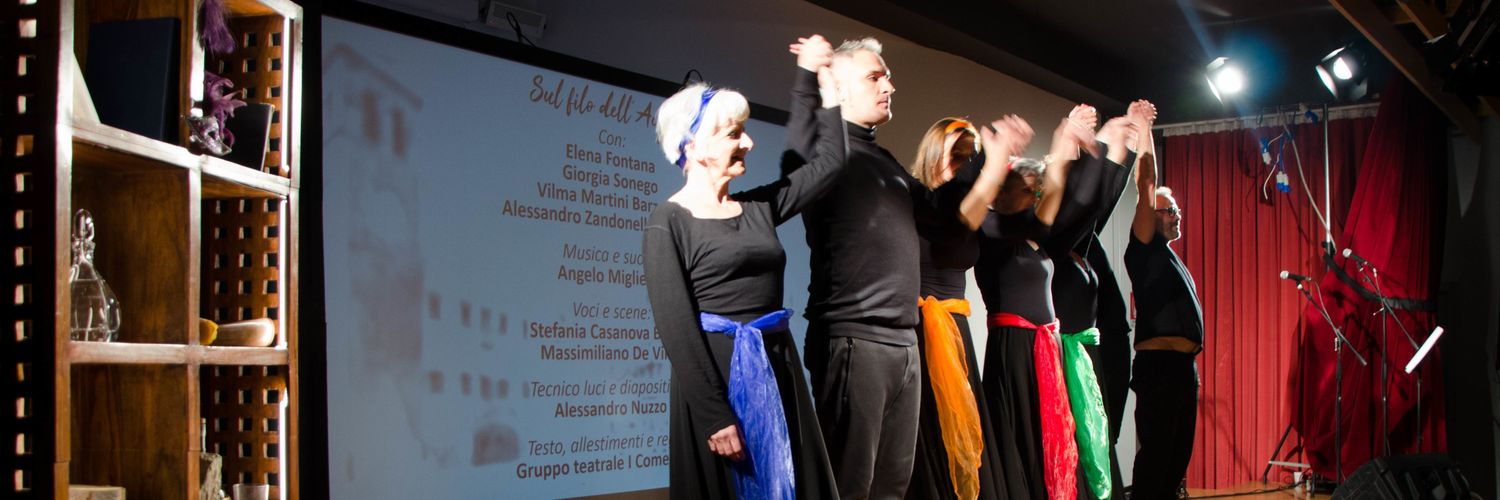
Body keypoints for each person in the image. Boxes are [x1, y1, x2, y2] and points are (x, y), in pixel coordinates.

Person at [784, 36, 1019, 499]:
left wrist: (986, 164)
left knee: (893, 487)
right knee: (848, 485)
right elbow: (798, 146)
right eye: (874, 77)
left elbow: (942, 215)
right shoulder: (825, 155)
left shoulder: (885, 162)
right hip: (855, 340)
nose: (889, 86)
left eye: (887, 77)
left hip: (903, 343)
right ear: (838, 87)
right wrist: (809, 76)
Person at [642, 49, 846, 499]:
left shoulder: (758, 208)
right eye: (734, 134)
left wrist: (826, 88)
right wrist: (714, 415)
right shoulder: (668, 222)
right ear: (693, 146)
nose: (749, 142)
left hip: (776, 368)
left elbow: (829, 165)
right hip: (720, 380)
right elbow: (676, 328)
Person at [974, 106, 1099, 500]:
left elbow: (1053, 199)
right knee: (1023, 434)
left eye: (1036, 190)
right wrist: (1059, 147)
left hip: (1045, 347)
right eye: (1026, 189)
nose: (1034, 196)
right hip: (1014, 349)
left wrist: (1065, 144)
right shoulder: (990, 231)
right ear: (1002, 192)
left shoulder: (1034, 235)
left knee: (1052, 433)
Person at [905, 117, 1031, 500]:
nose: (965, 165)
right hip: (919, 331)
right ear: (934, 154)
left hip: (956, 335)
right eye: (958, 156)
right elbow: (952, 221)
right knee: (928, 440)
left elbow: (1036, 226)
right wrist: (991, 164)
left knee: (964, 442)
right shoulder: (916, 200)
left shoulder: (973, 212)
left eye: (970, 157)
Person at [1044, 101, 1154, 500]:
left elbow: (1100, 199)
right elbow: (1086, 199)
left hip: (1099, 352)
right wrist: (1100, 144)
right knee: (1081, 452)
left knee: (1101, 444)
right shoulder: (1054, 239)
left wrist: (1127, 144)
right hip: (1070, 357)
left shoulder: (1083, 241)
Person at [1123, 125, 1203, 500]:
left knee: (1176, 461)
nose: (1177, 216)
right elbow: (1146, 183)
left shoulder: (1170, 256)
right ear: (1150, 216)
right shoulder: (1143, 249)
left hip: (1183, 369)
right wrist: (1144, 130)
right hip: (1160, 369)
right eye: (1170, 211)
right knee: (1156, 459)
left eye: (1177, 210)